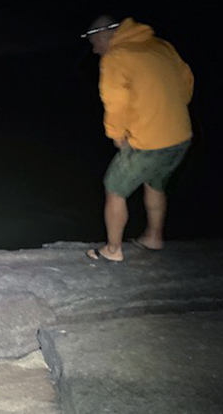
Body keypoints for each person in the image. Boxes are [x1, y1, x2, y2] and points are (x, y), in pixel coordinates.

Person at [83, 15, 194, 262]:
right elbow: (186, 80)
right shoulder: (161, 45)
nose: (94, 50)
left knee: (114, 187)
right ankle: (154, 237)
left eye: (94, 43)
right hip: (180, 136)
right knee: (155, 184)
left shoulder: (117, 56)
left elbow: (115, 101)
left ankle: (113, 250)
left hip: (148, 142)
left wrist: (116, 134)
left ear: (104, 35)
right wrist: (169, 112)